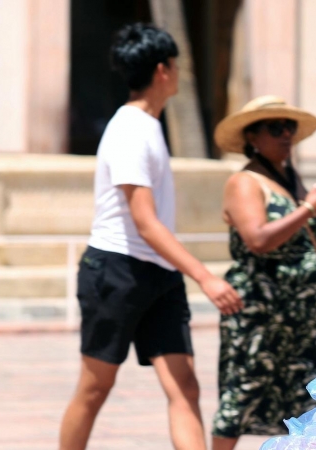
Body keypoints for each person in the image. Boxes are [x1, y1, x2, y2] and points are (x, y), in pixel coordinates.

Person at [59, 23, 242, 450]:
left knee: (185, 388)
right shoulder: (129, 130)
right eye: (177, 65)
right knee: (94, 388)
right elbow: (145, 221)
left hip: (159, 275)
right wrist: (205, 276)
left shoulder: (150, 125)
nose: (179, 72)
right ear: (163, 70)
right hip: (116, 271)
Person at [210, 95, 316, 450]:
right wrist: (308, 209)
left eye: (289, 128)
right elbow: (258, 239)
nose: (286, 135)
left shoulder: (289, 179)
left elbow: (302, 235)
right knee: (241, 398)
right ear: (253, 138)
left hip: (301, 318)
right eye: (276, 128)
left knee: (315, 398)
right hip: (260, 315)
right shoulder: (245, 182)